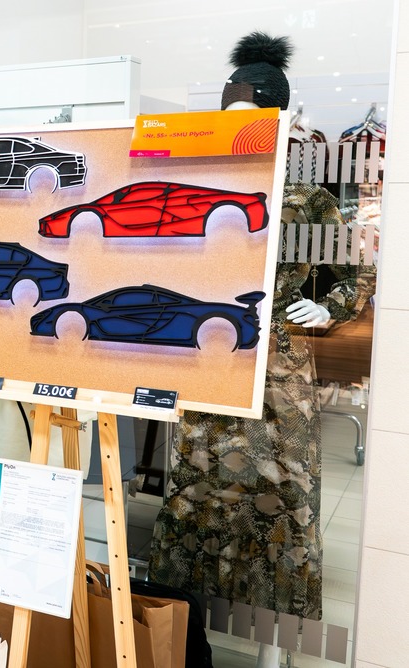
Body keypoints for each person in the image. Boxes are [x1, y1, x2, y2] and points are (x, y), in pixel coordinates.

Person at [148, 31, 376, 666]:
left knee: (281, 502)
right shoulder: (205, 183)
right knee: (198, 496)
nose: (236, 127)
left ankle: (276, 650)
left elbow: (357, 275)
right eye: (228, 116)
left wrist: (326, 309)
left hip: (279, 370)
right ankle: (184, 636)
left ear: (279, 117)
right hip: (211, 358)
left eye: (248, 116)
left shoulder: (307, 196)